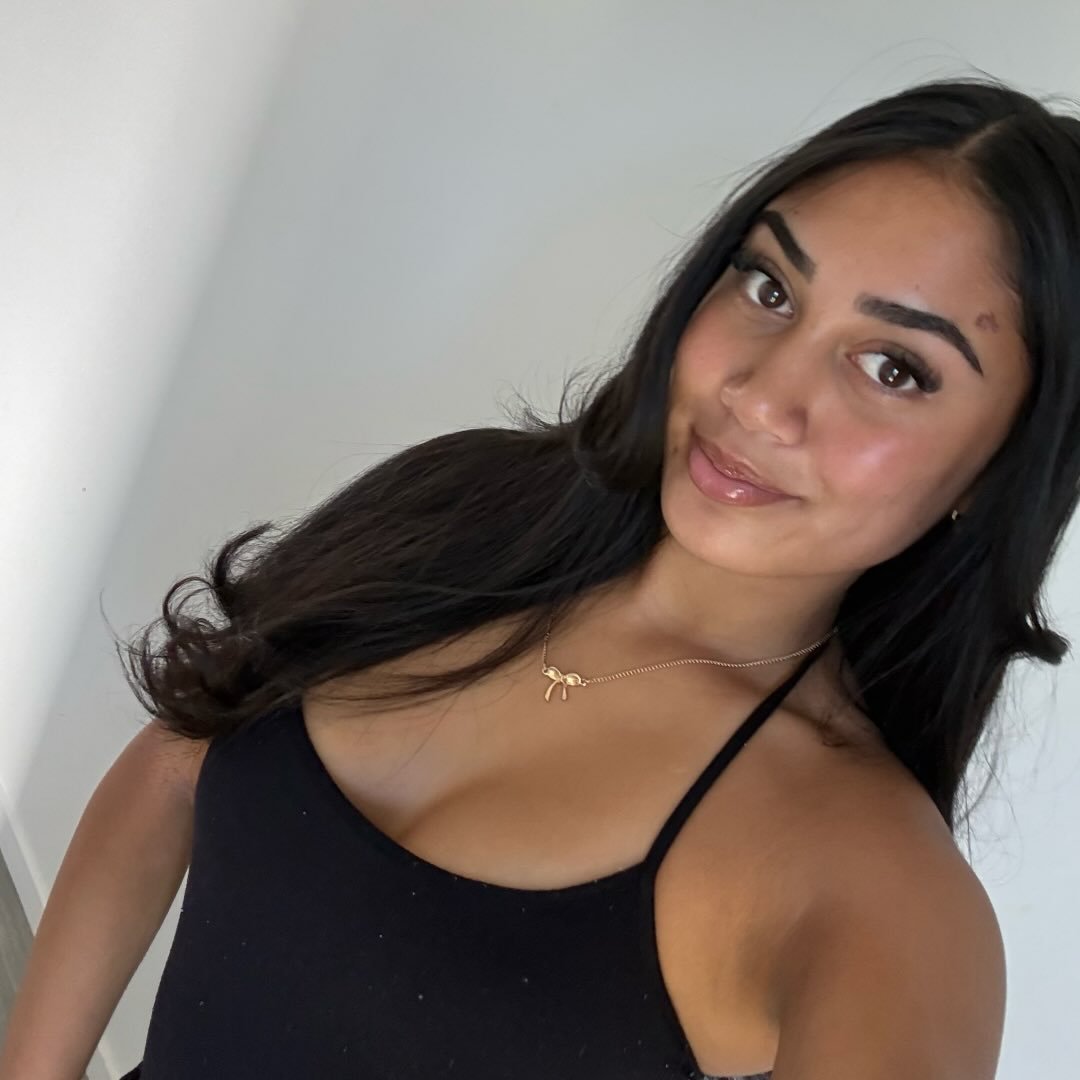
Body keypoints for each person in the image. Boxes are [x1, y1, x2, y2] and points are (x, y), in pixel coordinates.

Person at [3, 72, 1078, 1080]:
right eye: (769, 286)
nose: (760, 396)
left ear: (1001, 471)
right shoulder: (464, 508)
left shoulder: (879, 896)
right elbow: (180, 761)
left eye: (896, 368)